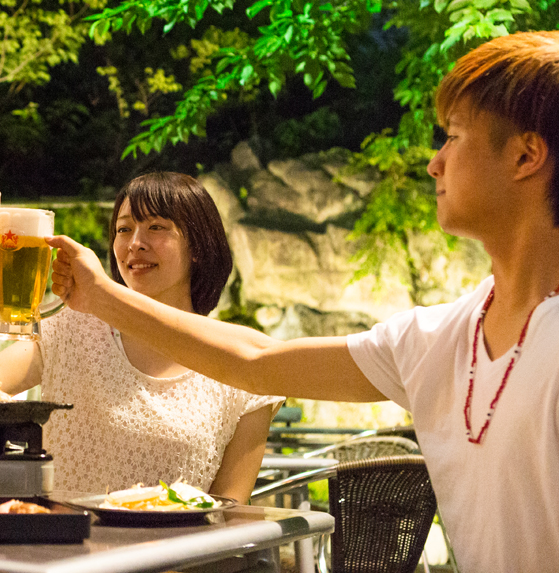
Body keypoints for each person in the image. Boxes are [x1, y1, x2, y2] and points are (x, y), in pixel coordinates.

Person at [47, 31, 559, 573]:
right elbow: (257, 362)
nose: (435, 162)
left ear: (525, 155)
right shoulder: (440, 338)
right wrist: (99, 296)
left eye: (453, 137)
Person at [0, 172, 282, 502]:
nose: (135, 243)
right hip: (65, 534)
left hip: (176, 538)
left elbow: (230, 507)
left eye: (156, 227)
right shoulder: (71, 328)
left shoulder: (240, 369)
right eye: (124, 229)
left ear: (198, 246)